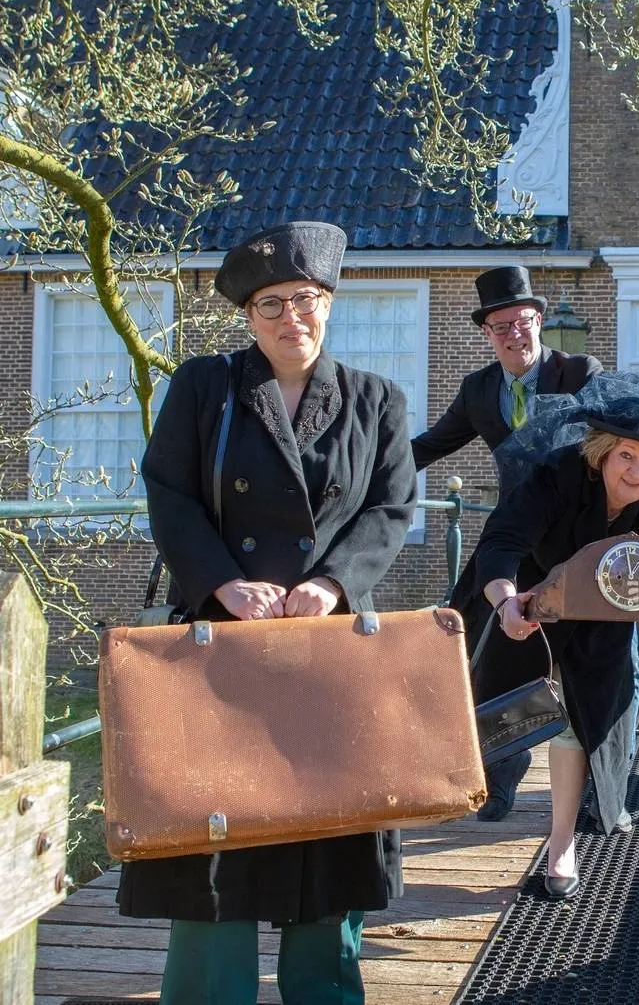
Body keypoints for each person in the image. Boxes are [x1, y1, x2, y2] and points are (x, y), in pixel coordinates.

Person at [120, 220, 418, 1002]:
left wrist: (332, 583)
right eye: (273, 305)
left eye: (309, 299)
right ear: (248, 317)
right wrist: (221, 582)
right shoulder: (203, 388)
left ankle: (323, 991)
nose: (294, 317)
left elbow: (391, 508)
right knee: (215, 833)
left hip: (330, 650)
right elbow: (168, 492)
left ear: (329, 304)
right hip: (224, 650)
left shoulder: (377, 400)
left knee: (330, 833)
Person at [466, 375, 639, 899]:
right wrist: (505, 601)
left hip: (604, 625)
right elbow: (500, 541)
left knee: (579, 724)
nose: (638, 473)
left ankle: (561, 841)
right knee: (506, 717)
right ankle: (481, 789)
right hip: (529, 606)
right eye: (627, 457)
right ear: (603, 454)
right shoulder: (556, 476)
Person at [411, 265, 603, 822]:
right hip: (515, 536)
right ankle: (499, 777)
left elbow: (627, 426)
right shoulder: (479, 390)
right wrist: (358, 465)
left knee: (597, 662)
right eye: (501, 327)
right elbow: (429, 446)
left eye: (522, 322)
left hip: (577, 537)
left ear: (538, 321)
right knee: (486, 645)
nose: (514, 334)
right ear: (487, 333)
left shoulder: (578, 372)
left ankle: (596, 792)